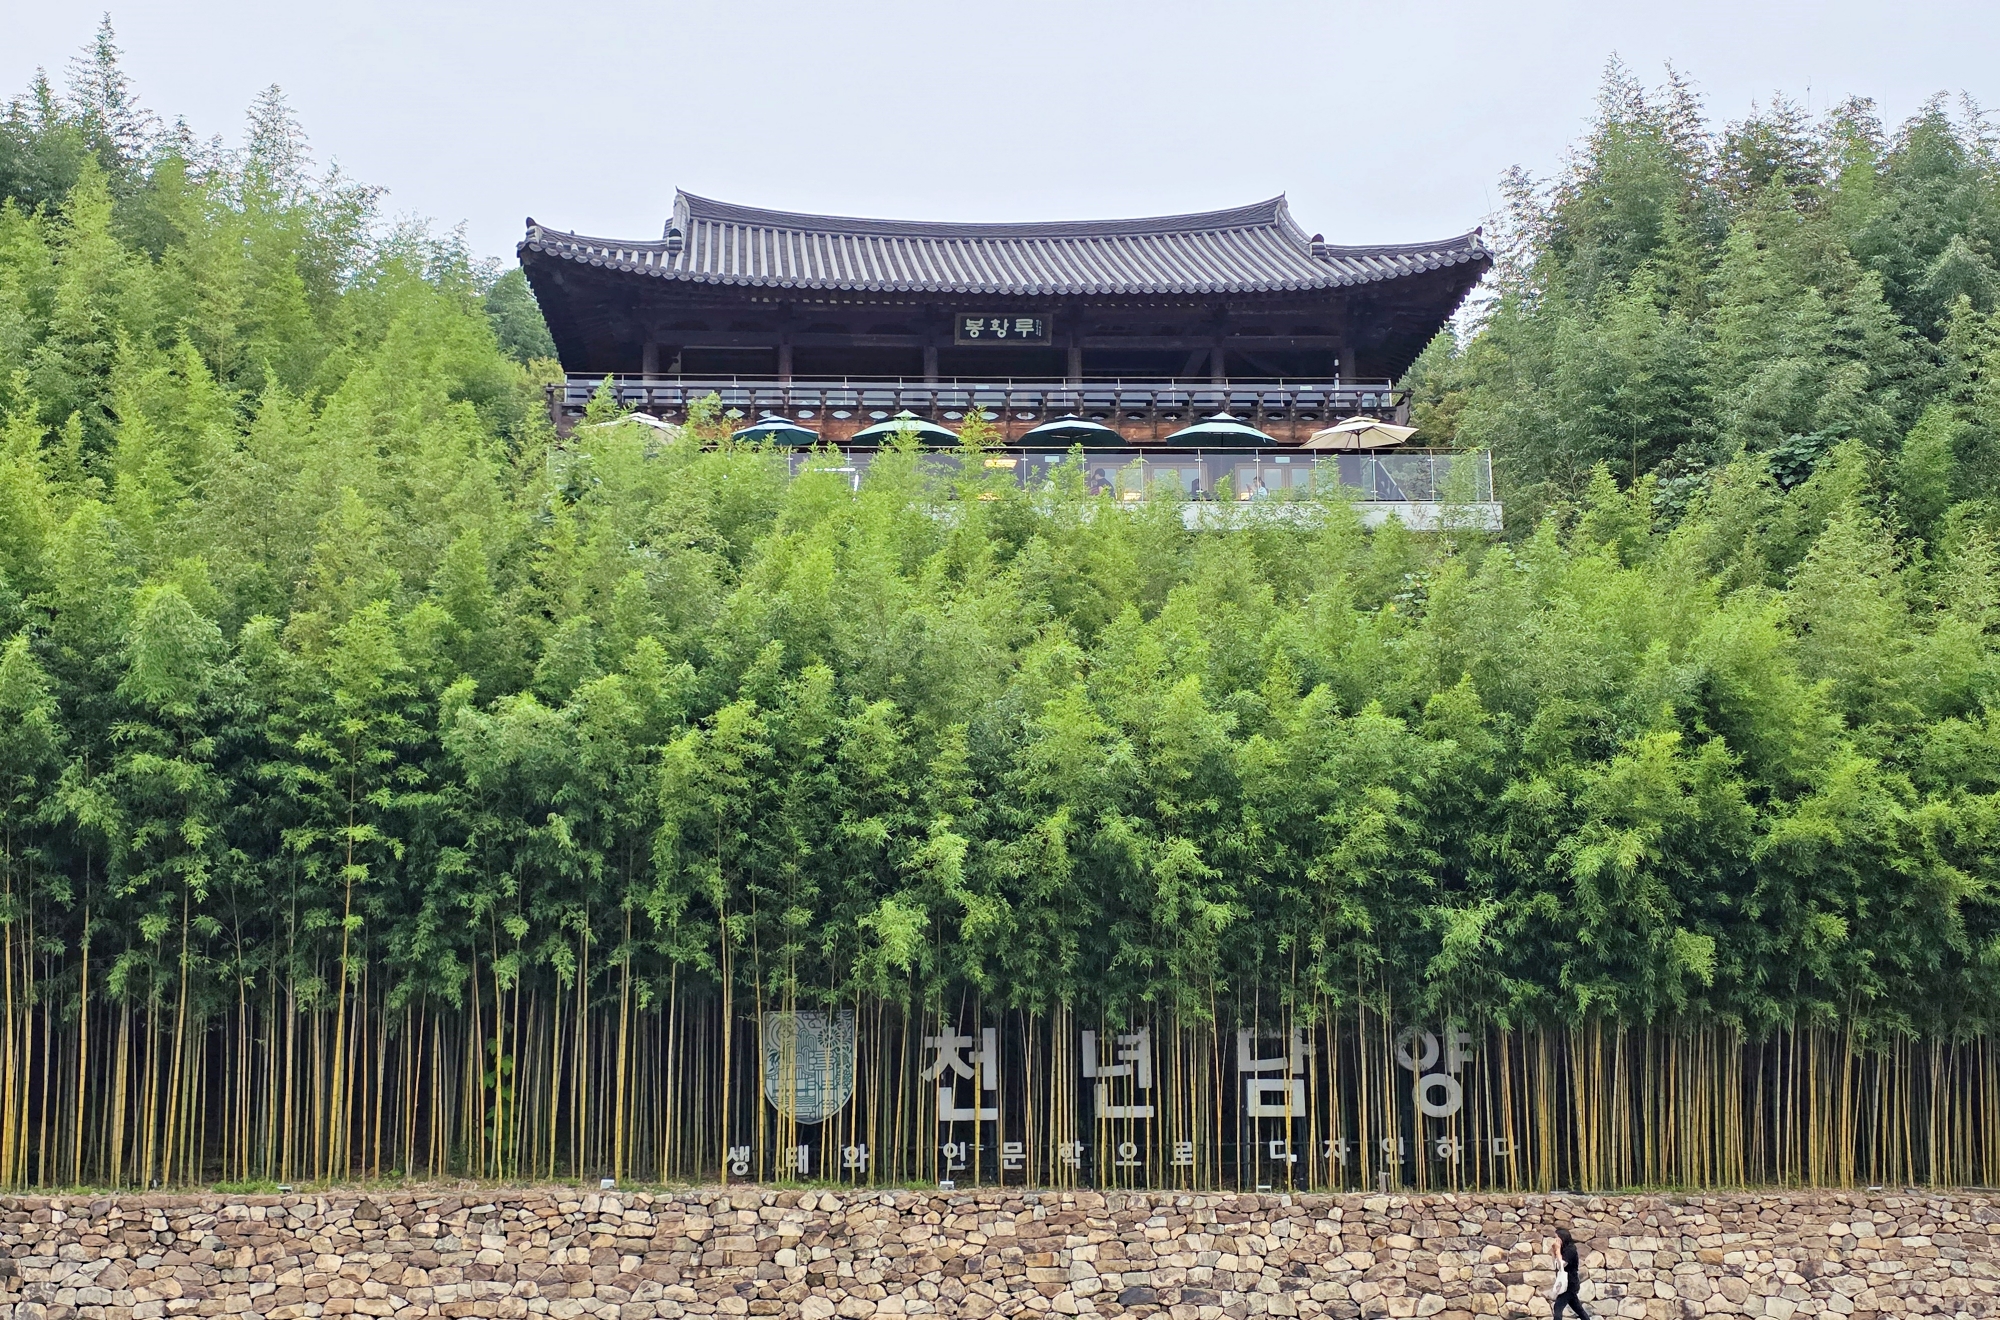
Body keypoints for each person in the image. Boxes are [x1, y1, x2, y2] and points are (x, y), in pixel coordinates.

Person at [1549, 1227, 1589, 1319]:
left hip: (1570, 1284)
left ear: (1562, 1238)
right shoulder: (1563, 1249)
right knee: (1579, 1309)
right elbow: (1556, 1265)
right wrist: (1553, 1252)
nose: (1555, 1240)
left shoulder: (1571, 1250)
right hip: (1567, 1283)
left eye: (1556, 1238)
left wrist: (1558, 1251)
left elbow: (1562, 1265)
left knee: (1558, 1307)